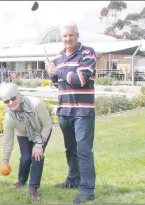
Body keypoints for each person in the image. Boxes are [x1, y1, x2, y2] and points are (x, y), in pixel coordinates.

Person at [45, 21, 96, 204]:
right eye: (65, 36)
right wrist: (51, 72)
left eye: (71, 35)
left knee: (83, 150)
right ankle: (73, 180)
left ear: (77, 35)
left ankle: (87, 189)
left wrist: (58, 70)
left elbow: (80, 79)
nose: (67, 39)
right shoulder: (58, 57)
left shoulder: (87, 53)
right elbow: (59, 83)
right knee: (71, 149)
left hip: (83, 111)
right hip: (64, 110)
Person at [0, 83, 52, 201]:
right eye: (7, 101)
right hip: (23, 133)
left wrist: (39, 145)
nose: (11, 103)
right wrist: (5, 161)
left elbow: (47, 125)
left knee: (37, 156)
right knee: (25, 158)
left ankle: (33, 187)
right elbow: (8, 140)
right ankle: (21, 181)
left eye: (13, 98)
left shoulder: (36, 104)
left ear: (19, 95)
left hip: (41, 130)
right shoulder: (9, 117)